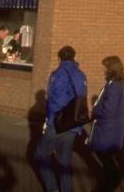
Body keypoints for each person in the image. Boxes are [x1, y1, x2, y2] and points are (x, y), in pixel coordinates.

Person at [36, 45, 89, 192]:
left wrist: (48, 121)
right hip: (74, 124)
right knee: (65, 161)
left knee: (41, 154)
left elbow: (54, 101)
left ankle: (52, 188)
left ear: (60, 58)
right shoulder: (81, 74)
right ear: (73, 57)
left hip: (57, 123)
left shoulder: (57, 74)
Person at [89, 55, 124, 192]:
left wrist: (95, 110)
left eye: (105, 67)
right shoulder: (116, 84)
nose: (103, 70)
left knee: (105, 158)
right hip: (110, 129)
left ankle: (111, 182)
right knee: (106, 159)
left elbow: (108, 109)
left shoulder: (114, 86)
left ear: (111, 69)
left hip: (107, 129)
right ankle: (109, 180)